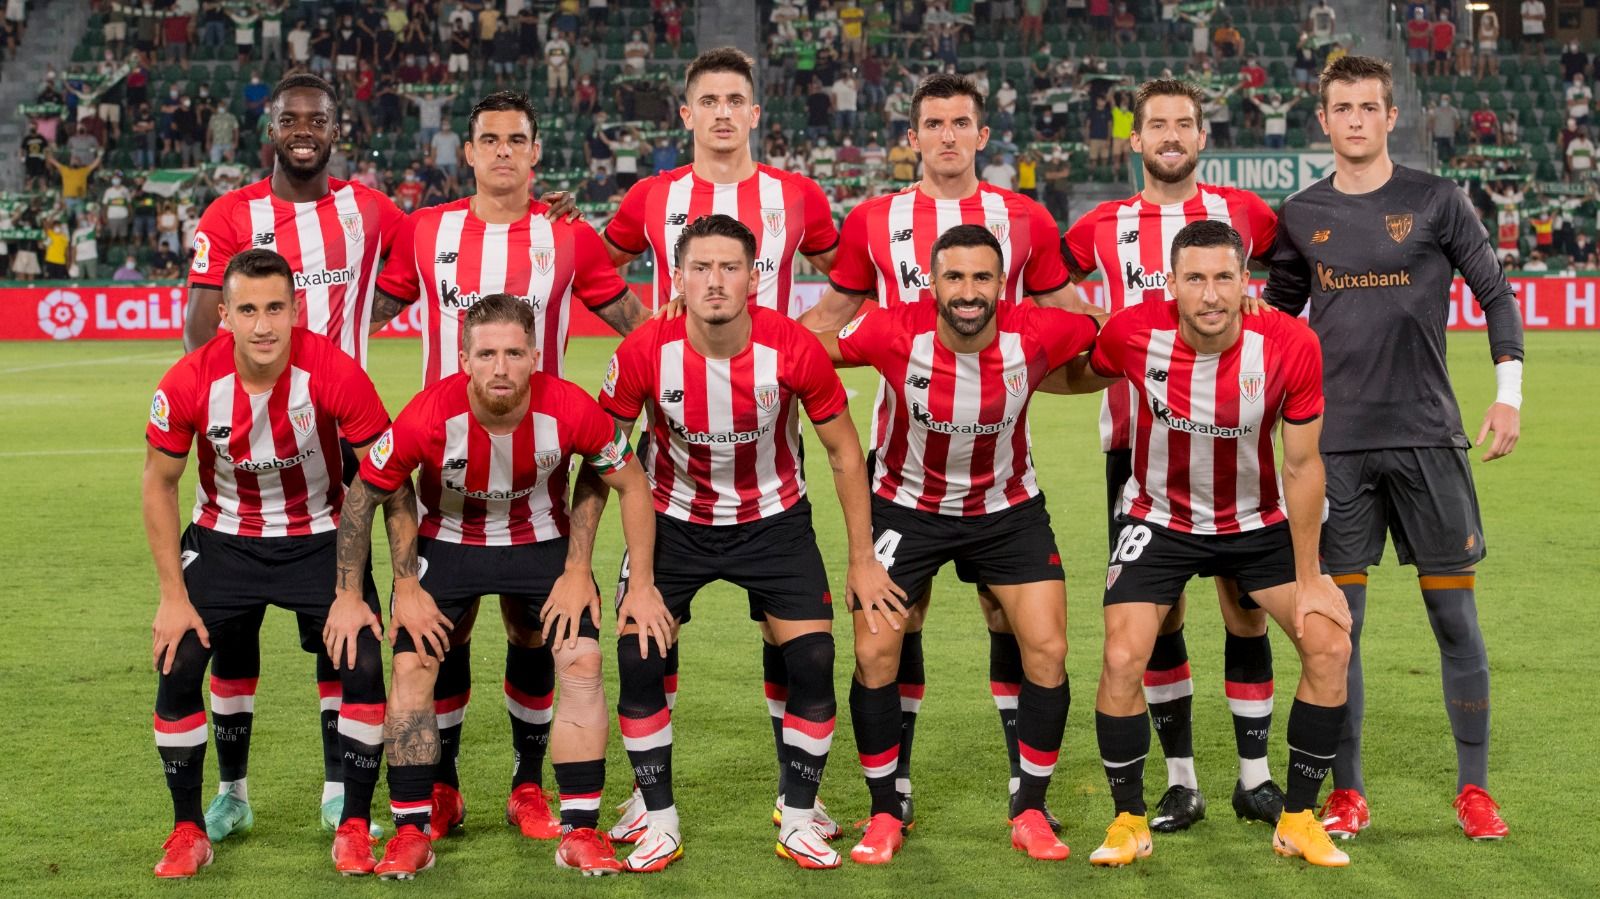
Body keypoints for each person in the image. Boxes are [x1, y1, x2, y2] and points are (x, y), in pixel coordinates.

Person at [800, 72, 1091, 839]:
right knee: (889, 636)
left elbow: (1074, 326)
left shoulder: (1025, 217)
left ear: (983, 134)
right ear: (913, 137)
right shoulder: (873, 219)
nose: (949, 136)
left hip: (1004, 479)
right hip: (906, 473)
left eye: (963, 122)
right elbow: (827, 324)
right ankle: (888, 802)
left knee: (1036, 636)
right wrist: (728, 328)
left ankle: (1028, 798)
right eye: (934, 123)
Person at [371, 91, 650, 839]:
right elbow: (361, 312)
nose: (500, 151)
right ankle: (442, 788)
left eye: (515, 139)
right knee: (442, 637)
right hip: (442, 483)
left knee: (534, 633)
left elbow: (637, 325)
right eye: (487, 139)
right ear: (466, 152)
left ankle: (528, 786)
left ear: (534, 153)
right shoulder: (425, 232)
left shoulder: (569, 238)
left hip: (540, 484)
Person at [1262, 55, 1523, 842]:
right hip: (1333, 449)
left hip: (1428, 439)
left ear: (1387, 117)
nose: (1355, 120)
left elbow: (1496, 294)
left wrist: (1508, 396)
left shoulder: (1436, 200)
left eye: (1368, 107)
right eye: (1341, 107)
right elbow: (1275, 329)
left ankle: (1473, 791)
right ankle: (1349, 794)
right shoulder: (1301, 215)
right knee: (1339, 629)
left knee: (1454, 619)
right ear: (1324, 120)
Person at [599, 214, 897, 872]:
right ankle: (658, 818)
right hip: (674, 520)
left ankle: (798, 817)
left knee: (813, 658)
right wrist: (615, 574)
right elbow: (604, 458)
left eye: (730, 266)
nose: (714, 280)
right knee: (638, 652)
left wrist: (862, 557)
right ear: (675, 277)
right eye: (700, 267)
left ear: (755, 277)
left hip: (775, 522)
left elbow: (846, 452)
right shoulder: (645, 349)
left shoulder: (792, 347)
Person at [331, 294, 659, 878]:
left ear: (536, 355)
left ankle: (581, 829)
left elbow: (631, 484)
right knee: (411, 666)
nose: (500, 367)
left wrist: (594, 572)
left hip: (539, 545)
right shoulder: (429, 415)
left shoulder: (571, 409)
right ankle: (411, 830)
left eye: (513, 352)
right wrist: (382, 589)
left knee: (581, 660)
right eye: (486, 354)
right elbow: (364, 497)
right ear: (464, 359)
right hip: (449, 543)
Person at [1068, 220, 1353, 869]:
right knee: (1120, 656)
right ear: (1172, 284)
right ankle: (1129, 819)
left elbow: (1304, 465)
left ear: (1245, 280)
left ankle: (1299, 817)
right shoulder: (1134, 330)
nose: (1211, 292)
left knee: (1330, 641)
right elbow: (1082, 370)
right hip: (1159, 517)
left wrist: (1310, 575)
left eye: (1225, 276)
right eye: (1195, 277)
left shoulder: (1288, 344)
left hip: (1256, 523)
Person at [179, 72, 404, 839]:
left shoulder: (369, 210)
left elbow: (443, 242)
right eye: (290, 118)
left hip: (339, 443)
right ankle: (232, 792)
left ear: (338, 129)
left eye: (318, 119)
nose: (304, 129)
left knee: (338, 624)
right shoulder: (231, 213)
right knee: (231, 635)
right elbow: (199, 329)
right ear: (271, 127)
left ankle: (340, 788)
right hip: (248, 446)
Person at [1060, 78, 1284, 834]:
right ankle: (1181, 780)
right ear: (1135, 138)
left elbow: (1290, 279)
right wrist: (1087, 321)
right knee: (1157, 615)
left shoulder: (1244, 215)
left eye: (1184, 123)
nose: (1170, 135)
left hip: (1237, 438)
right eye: (1157, 124)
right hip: (1136, 443)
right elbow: (1045, 289)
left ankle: (1255, 777)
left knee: (1245, 608)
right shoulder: (1098, 225)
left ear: (1202, 136)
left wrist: (1269, 311)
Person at [142, 249, 397, 878]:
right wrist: (173, 598)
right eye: (248, 310)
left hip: (321, 536)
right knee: (179, 660)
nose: (263, 325)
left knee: (361, 657)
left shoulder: (335, 373)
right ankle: (193, 826)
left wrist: (354, 587)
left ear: (297, 310)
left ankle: (354, 822)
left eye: (275, 308)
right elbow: (158, 485)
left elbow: (383, 478)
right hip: (224, 538)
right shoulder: (188, 381)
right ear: (223, 314)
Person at [602, 49, 840, 318]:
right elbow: (588, 267)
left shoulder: (797, 194)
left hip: (771, 361)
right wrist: (642, 327)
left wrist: (804, 334)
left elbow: (854, 278)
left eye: (736, 101)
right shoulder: (651, 194)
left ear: (754, 115)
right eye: (709, 101)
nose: (723, 113)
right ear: (687, 115)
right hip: (675, 360)